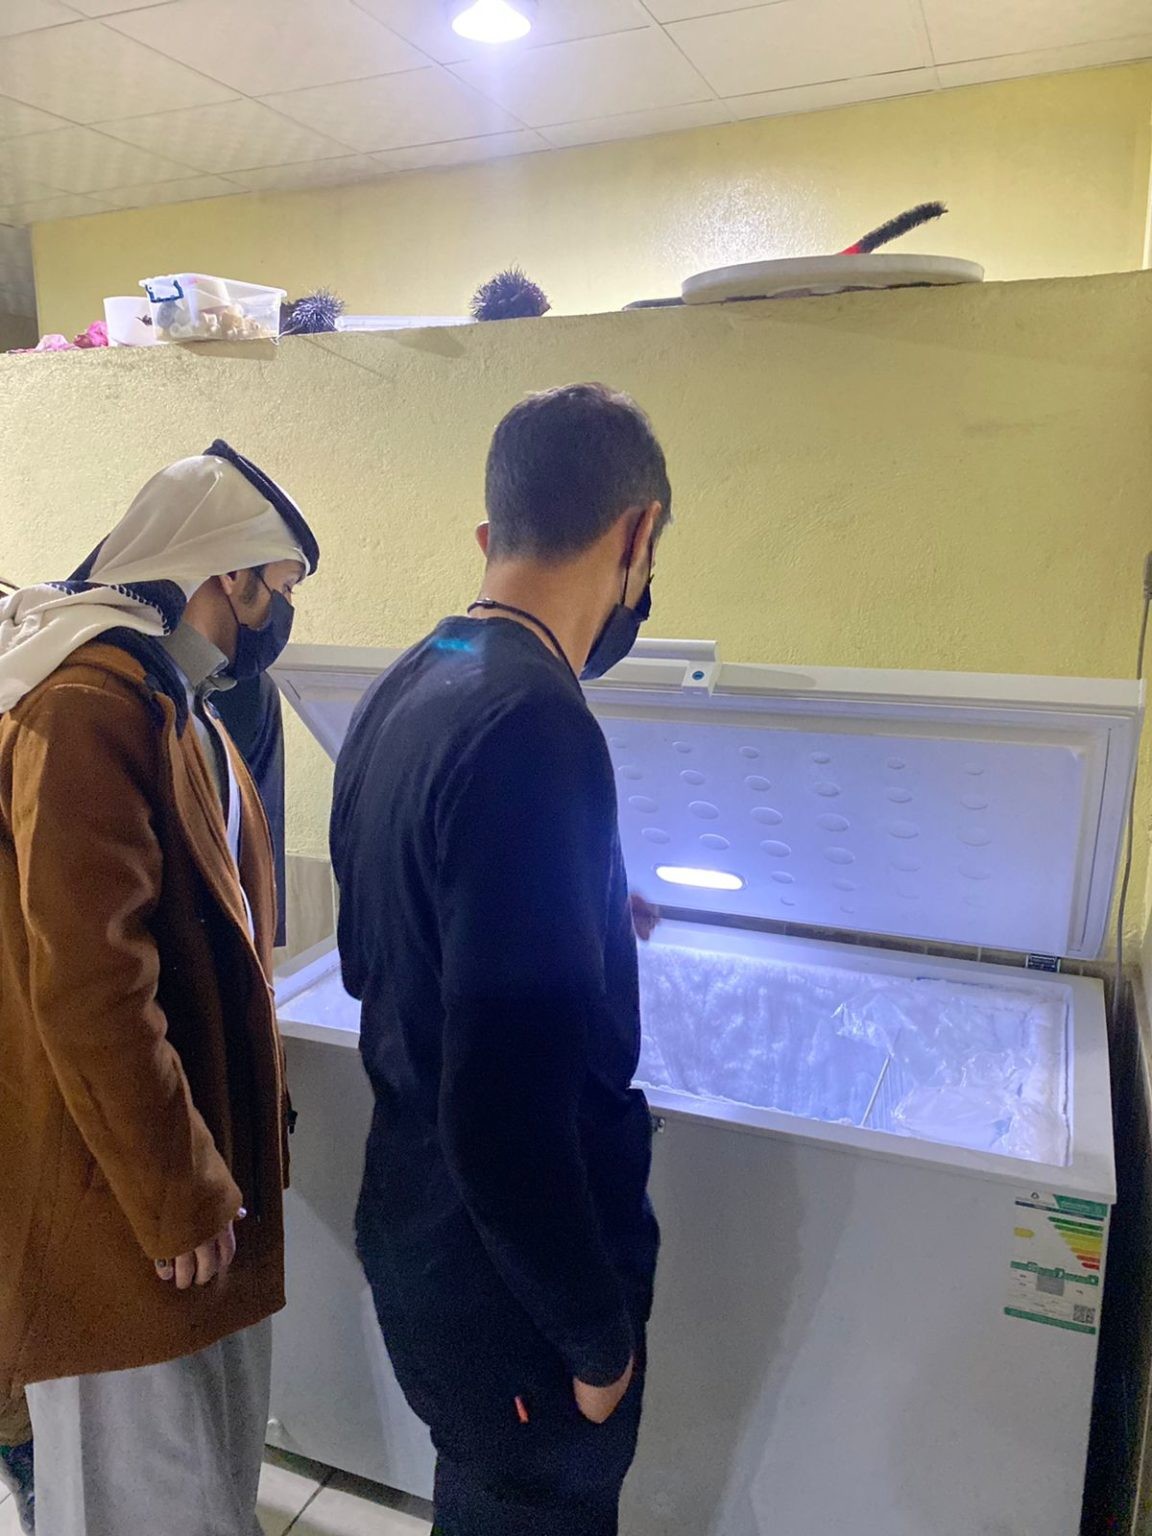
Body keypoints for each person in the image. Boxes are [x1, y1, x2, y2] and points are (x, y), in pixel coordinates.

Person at [331, 382, 672, 1536]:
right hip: (515, 1298)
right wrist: (597, 1340)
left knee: (480, 1497)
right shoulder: (538, 726)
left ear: (493, 534)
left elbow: (385, 938)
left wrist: (585, 909)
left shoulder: (415, 673)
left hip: (419, 1238)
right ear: (637, 533)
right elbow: (504, 1117)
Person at [0, 443, 319, 1536]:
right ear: (227, 574)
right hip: (117, 1210)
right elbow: (93, 987)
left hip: (189, 1191)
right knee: (136, 1503)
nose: (281, 616)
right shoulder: (86, 704)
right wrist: (176, 1189)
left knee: (202, 1489)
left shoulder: (181, 703)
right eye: (278, 587)